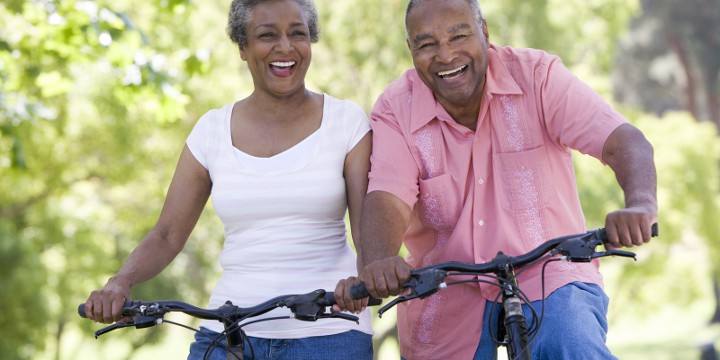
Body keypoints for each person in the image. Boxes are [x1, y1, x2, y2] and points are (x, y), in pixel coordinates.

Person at [337, 0, 658, 359]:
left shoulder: (537, 76)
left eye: (459, 36)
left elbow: (622, 141)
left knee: (570, 342)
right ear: (411, 49)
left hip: (549, 271)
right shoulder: (397, 107)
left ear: (484, 32)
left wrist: (641, 204)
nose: (445, 55)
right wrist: (380, 259)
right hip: (444, 286)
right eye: (427, 44)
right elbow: (387, 196)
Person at [82, 0, 374, 359]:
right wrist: (120, 282)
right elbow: (167, 235)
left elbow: (366, 233)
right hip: (230, 332)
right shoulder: (211, 130)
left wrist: (365, 280)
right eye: (267, 35)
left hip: (330, 330)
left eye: (297, 34)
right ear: (242, 47)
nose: (285, 48)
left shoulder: (347, 122)